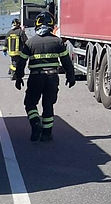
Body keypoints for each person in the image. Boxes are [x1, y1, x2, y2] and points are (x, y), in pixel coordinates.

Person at [13, 12, 75, 141]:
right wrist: (71, 76)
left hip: (35, 78)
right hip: (52, 78)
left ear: (37, 24)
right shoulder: (57, 41)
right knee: (48, 104)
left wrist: (18, 78)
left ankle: (35, 122)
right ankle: (47, 134)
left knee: (30, 103)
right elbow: (66, 61)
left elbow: (21, 62)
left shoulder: (30, 43)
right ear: (51, 25)